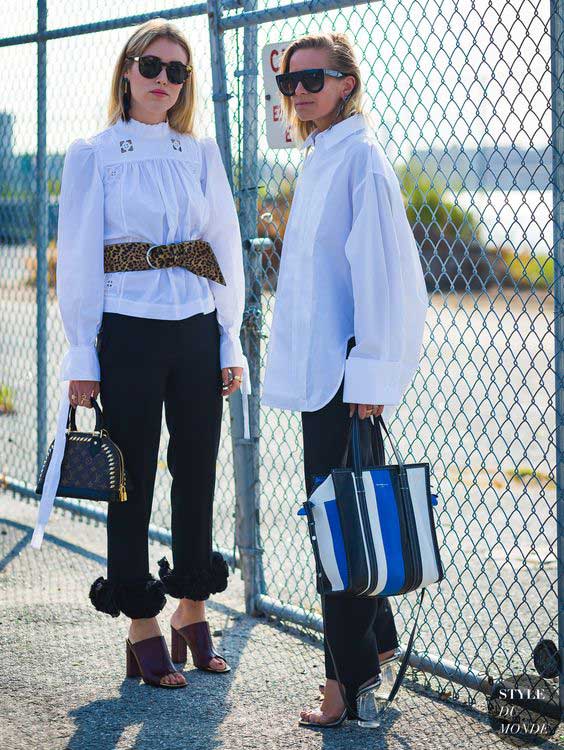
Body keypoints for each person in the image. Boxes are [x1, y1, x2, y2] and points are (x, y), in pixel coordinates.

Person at [31, 18, 250, 689]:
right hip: (124, 332)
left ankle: (191, 607)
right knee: (129, 479)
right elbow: (79, 261)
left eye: (177, 71)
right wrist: (81, 356)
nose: (163, 80)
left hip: (194, 329)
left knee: (196, 470)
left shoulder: (200, 152)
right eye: (151, 66)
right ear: (127, 70)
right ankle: (141, 622)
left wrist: (229, 335)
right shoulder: (92, 152)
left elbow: (225, 247)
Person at [261, 32, 429, 725]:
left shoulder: (360, 160)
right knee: (345, 522)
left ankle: (345, 681)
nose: (298, 93)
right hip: (323, 374)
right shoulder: (322, 156)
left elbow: (386, 278)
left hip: (346, 378)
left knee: (336, 529)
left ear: (347, 84)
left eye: (313, 80)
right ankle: (377, 640)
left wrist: (371, 378)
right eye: (289, 83)